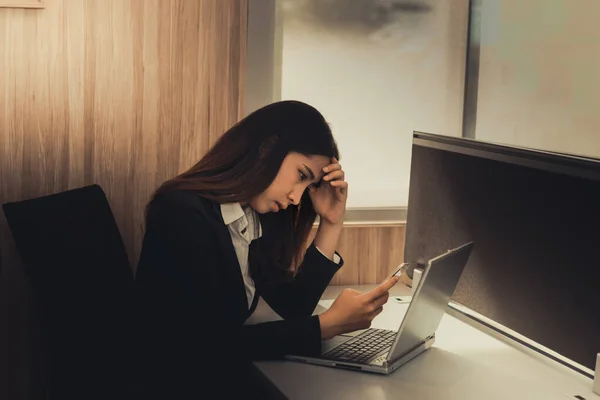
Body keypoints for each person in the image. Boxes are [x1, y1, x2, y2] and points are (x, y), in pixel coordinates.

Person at [131, 100, 399, 397]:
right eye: (301, 175)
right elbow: (206, 347)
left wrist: (331, 223)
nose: (298, 198)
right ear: (268, 149)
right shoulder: (182, 213)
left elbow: (289, 310)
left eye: (308, 185)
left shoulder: (252, 216)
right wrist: (326, 326)